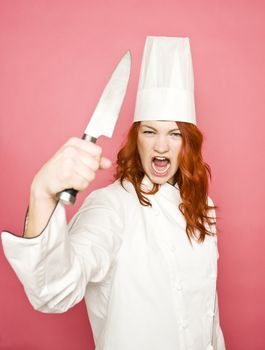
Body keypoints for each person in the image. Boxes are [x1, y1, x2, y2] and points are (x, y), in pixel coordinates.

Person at [1, 36, 226, 350]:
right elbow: (52, 290)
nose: (161, 146)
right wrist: (42, 194)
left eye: (174, 134)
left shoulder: (205, 208)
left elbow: (208, 319)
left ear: (188, 144)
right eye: (150, 132)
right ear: (137, 139)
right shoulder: (111, 206)